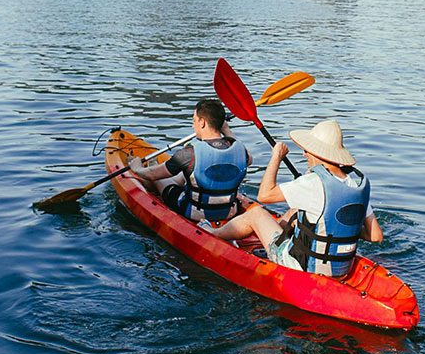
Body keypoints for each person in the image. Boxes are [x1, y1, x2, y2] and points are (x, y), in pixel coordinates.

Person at [203, 119, 382, 278]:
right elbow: (375, 236)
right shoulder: (355, 185)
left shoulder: (312, 182)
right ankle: (275, 232)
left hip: (303, 267)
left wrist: (276, 157)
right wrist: (338, 229)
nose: (304, 154)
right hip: (342, 268)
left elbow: (264, 195)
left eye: (306, 150)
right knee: (296, 210)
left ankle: (213, 234)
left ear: (316, 152)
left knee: (256, 214)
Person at [128, 99, 252, 222]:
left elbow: (151, 175)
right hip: (229, 212)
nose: (193, 126)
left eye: (194, 121)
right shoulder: (241, 150)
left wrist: (137, 168)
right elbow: (249, 159)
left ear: (202, 122)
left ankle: (153, 171)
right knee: (188, 174)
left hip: (195, 213)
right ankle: (165, 173)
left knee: (160, 178)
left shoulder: (189, 153)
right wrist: (226, 130)